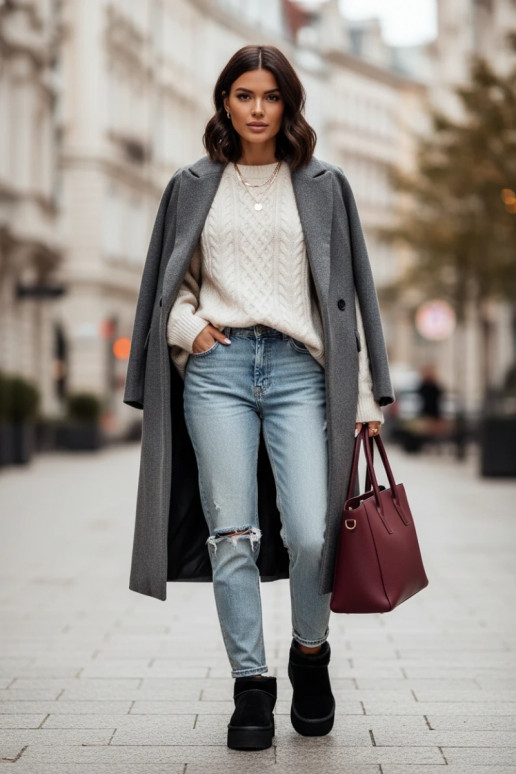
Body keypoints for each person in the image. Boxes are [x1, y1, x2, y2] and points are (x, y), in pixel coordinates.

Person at [123, 44, 395, 752]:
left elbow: (348, 301)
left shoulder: (325, 184)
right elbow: (167, 288)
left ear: (288, 105)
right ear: (224, 102)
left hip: (301, 371)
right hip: (218, 371)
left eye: (269, 96)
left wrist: (364, 396)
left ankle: (310, 656)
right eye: (243, 95)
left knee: (311, 531)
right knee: (232, 535)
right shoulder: (190, 185)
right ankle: (251, 685)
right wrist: (193, 329)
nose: (256, 109)